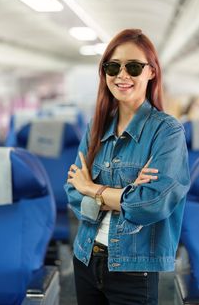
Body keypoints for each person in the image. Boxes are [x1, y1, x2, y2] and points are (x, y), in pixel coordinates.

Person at [65, 28, 190, 305]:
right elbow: (72, 193)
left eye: (133, 67)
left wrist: (92, 189)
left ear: (151, 72)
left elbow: (151, 204)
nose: (122, 75)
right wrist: (126, 194)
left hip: (134, 267)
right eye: (113, 66)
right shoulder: (96, 126)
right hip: (85, 256)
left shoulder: (167, 131)